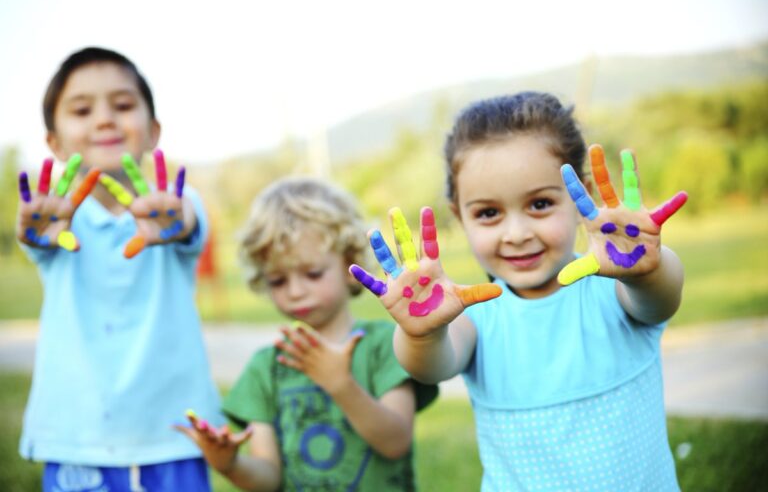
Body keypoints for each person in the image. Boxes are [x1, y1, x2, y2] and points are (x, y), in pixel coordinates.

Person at [351, 92, 688, 491]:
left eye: (540, 204)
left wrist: (648, 270)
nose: (517, 234)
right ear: (459, 215)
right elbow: (430, 365)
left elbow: (660, 297)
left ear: (580, 198)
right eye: (488, 213)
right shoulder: (475, 320)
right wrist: (419, 331)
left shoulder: (616, 293)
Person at [16, 47, 221, 491]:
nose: (105, 119)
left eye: (123, 105)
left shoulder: (177, 210)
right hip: (78, 440)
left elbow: (186, 223)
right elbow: (36, 237)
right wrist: (33, 232)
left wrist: (176, 220)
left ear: (153, 131)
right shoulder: (56, 223)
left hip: (173, 439)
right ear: (54, 142)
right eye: (82, 109)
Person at [176, 177, 438, 491]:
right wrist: (229, 464)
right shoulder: (266, 369)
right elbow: (268, 479)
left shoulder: (388, 344)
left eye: (312, 274)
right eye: (277, 280)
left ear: (350, 263)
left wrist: (340, 385)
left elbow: (395, 442)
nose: (296, 291)